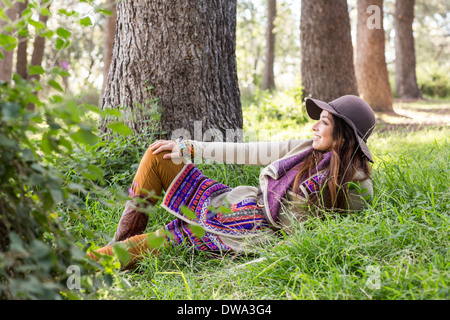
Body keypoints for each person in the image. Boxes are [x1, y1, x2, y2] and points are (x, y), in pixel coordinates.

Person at [87, 95, 376, 269]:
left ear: (343, 134)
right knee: (158, 153)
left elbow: (320, 240)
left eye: (324, 122)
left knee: (155, 242)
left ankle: (85, 265)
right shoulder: (303, 149)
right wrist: (191, 148)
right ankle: (118, 243)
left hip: (246, 236)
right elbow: (247, 151)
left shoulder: (355, 187)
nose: (313, 126)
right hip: (236, 205)